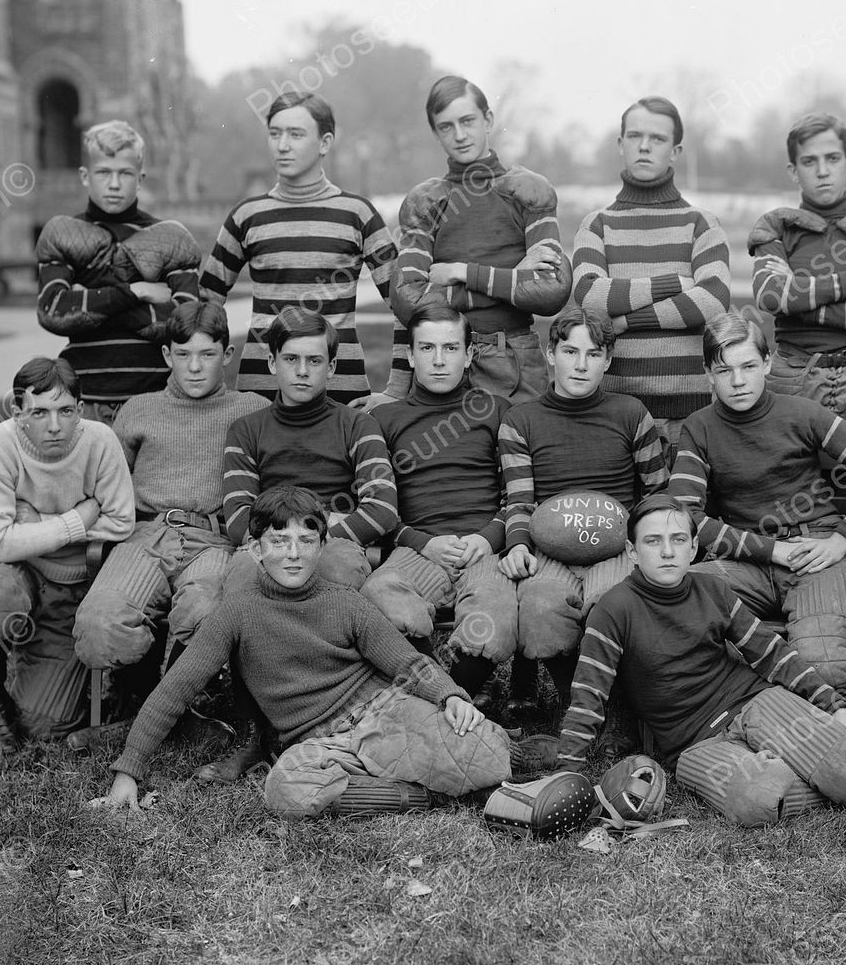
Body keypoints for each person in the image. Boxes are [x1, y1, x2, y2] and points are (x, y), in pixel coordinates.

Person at [92, 486, 552, 819]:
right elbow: (175, 689)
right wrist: (128, 771)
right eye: (279, 541)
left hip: (383, 714)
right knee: (285, 790)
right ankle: (418, 795)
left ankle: (475, 763)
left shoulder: (344, 601)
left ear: (322, 545)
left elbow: (405, 662)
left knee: (486, 755)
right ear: (255, 549)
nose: (293, 554)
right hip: (318, 744)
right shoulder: (236, 612)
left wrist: (450, 696)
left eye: (305, 541)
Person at [557, 495, 846, 827]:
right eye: (653, 542)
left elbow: (772, 654)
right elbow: (588, 697)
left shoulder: (713, 589)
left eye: (678, 540)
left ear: (693, 549)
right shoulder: (613, 609)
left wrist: (831, 702)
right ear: (632, 551)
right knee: (756, 803)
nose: (667, 552)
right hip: (692, 744)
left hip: (755, 703)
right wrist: (566, 775)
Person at [670, 312, 846, 694]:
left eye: (748, 366)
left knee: (825, 666)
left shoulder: (802, 413)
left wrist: (842, 540)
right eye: (724, 370)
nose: (738, 381)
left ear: (767, 362)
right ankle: (729, 715)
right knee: (669, 596)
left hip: (817, 553)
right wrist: (771, 550)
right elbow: (685, 516)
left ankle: (836, 732)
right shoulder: (699, 429)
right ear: (708, 374)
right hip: (749, 557)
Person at [210, 308, 399, 778]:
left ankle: (332, 720)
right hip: (262, 547)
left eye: (315, 361)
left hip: (334, 547)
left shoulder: (356, 426)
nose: (302, 371)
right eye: (291, 359)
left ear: (333, 367)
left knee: (329, 578)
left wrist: (312, 537)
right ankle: (256, 733)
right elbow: (237, 518)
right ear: (272, 362)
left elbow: (382, 508)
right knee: (240, 589)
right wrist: (283, 541)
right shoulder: (248, 430)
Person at [71, 302, 269, 696]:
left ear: (227, 355)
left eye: (207, 354)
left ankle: (178, 697)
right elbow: (105, 485)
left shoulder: (252, 410)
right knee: (99, 624)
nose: (195, 367)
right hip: (145, 536)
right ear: (167, 355)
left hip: (214, 539)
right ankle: (137, 685)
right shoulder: (139, 410)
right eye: (183, 355)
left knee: (207, 612)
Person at [0, 358, 134, 752]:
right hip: (17, 572)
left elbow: (121, 522)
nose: (53, 425)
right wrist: (75, 520)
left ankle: (60, 667)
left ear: (80, 410)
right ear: (17, 412)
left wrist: (31, 525)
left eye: (65, 411)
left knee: (44, 725)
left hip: (74, 588)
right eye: (39, 412)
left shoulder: (99, 440)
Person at [497, 307, 668, 707]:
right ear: (550, 352)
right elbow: (520, 499)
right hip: (551, 547)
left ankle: (621, 707)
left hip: (616, 546)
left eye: (593, 354)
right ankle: (575, 699)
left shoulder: (630, 413)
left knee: (612, 602)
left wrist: (641, 541)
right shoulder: (521, 421)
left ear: (608, 360)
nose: (580, 365)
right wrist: (519, 544)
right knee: (540, 606)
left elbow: (658, 492)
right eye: (570, 352)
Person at [199, 91, 411, 406]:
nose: (282, 145)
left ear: (325, 142)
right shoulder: (246, 216)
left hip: (341, 394)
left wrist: (396, 388)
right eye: (275, 134)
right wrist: (211, 381)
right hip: (260, 395)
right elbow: (206, 306)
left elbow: (405, 305)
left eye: (296, 134)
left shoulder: (358, 213)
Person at [366, 302, 517, 702]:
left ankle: (463, 685)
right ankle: (437, 688)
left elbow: (518, 493)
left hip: (482, 548)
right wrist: (420, 542)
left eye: (450, 349)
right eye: (427, 348)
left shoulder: (497, 411)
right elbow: (375, 505)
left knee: (497, 613)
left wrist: (489, 538)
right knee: (380, 593)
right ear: (410, 355)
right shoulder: (384, 419)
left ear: (469, 355)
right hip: (418, 547)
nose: (438, 361)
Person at [391, 75, 571, 404]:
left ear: (487, 120)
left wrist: (463, 272)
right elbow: (407, 301)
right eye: (446, 127)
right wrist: (513, 277)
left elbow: (552, 291)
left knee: (517, 453)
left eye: (467, 121)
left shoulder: (528, 190)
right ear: (435, 132)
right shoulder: (425, 202)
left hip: (516, 363)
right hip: (443, 362)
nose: (459, 135)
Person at [572, 96, 732, 458]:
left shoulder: (701, 223)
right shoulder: (597, 224)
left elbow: (713, 301)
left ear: (675, 150)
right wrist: (675, 284)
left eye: (657, 139)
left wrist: (626, 320)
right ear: (620, 144)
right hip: (613, 414)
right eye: (635, 136)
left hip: (690, 416)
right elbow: (588, 296)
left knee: (682, 512)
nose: (644, 146)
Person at [747, 111, 846, 438]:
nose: (822, 171)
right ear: (793, 171)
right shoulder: (778, 228)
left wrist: (801, 301)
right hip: (793, 377)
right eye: (809, 162)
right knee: (788, 478)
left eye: (832, 159)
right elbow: (771, 295)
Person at [35, 120, 201, 423]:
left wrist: (91, 302)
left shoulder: (171, 237)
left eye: (125, 173)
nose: (114, 184)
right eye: (103, 173)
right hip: (84, 400)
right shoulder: (62, 233)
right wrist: (136, 292)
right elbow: (53, 310)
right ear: (85, 176)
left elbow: (187, 322)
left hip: (155, 398)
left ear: (140, 178)